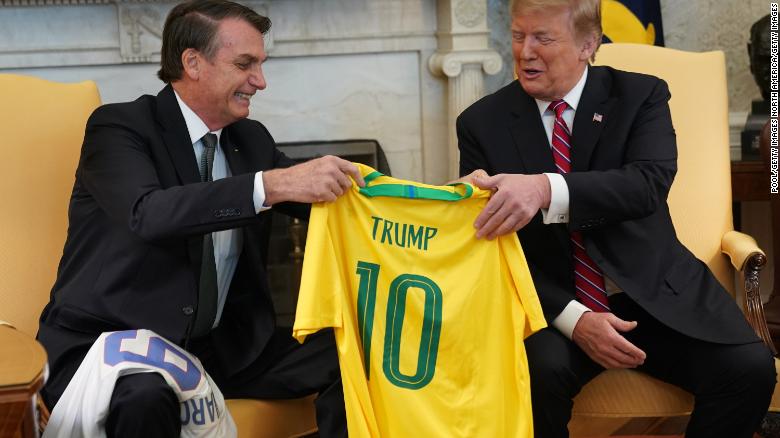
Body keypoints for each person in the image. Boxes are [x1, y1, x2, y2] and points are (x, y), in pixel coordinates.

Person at [36, 1, 361, 436]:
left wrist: (452, 196)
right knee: (147, 396)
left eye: (261, 65)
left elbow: (342, 198)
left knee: (361, 349)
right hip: (114, 346)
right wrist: (270, 186)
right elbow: (147, 214)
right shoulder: (119, 127)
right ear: (193, 62)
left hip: (222, 350)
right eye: (245, 64)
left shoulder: (251, 139)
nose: (260, 82)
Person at [456, 0, 776, 437]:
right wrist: (575, 319)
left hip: (650, 291)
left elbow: (646, 184)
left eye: (543, 38)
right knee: (533, 379)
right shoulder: (481, 123)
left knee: (750, 369)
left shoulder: (641, 95)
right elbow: (489, 244)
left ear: (589, 43)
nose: (525, 52)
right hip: (551, 302)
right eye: (517, 35)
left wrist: (545, 188)